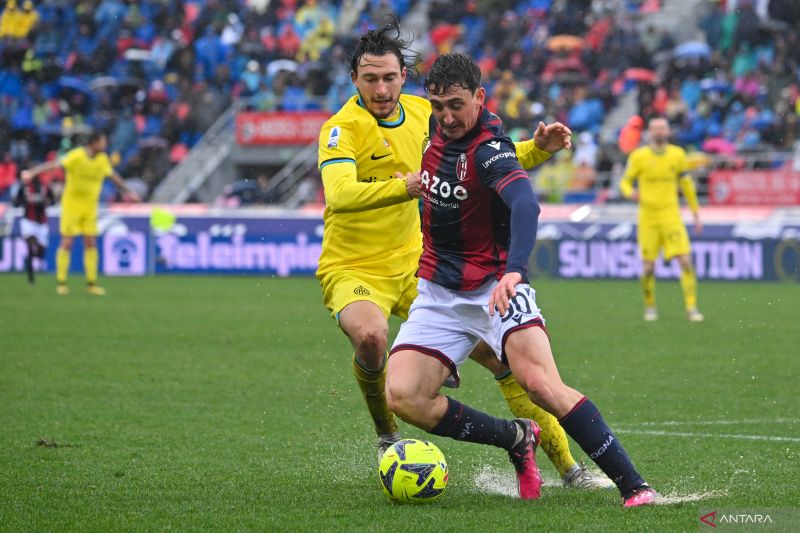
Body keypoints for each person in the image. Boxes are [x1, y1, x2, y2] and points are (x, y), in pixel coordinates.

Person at [317, 21, 606, 489]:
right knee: (371, 336)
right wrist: (403, 186)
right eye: (370, 79)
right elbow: (339, 193)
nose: (381, 88)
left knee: (504, 361)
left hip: (423, 267)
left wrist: (541, 149)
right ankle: (387, 435)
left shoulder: (428, 114)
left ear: (404, 77)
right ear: (354, 80)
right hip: (355, 265)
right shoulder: (339, 130)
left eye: (389, 77)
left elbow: (486, 159)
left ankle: (565, 465)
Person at [386, 52, 657, 507]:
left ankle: (635, 486)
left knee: (541, 385)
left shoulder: (490, 149)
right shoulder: (438, 128)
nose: (447, 117)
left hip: (495, 287)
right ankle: (516, 438)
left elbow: (526, 205)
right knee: (404, 396)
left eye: (456, 105)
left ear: (479, 98)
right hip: (437, 292)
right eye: (438, 106)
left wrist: (514, 271)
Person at [21, 132, 140, 295]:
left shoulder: (102, 159)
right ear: (94, 142)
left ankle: (91, 283)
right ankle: (61, 282)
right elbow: (55, 165)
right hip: (72, 206)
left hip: (90, 207)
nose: (105, 145)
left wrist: (129, 192)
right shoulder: (77, 156)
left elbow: (114, 177)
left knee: (90, 242)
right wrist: (32, 172)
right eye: (103, 141)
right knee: (67, 242)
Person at [620, 117, 703, 322]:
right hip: (648, 218)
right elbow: (625, 182)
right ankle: (650, 306)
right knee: (648, 267)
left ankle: (691, 307)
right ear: (649, 132)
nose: (658, 132)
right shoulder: (639, 156)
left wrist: (695, 213)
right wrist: (630, 192)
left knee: (685, 261)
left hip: (671, 216)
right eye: (655, 128)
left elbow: (687, 186)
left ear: (667, 132)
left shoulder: (677, 155)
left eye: (662, 128)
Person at [13, 174, 55, 283]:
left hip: (42, 223)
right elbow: (16, 202)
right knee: (31, 247)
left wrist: (46, 202)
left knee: (41, 252)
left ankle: (29, 260)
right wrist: (22, 202)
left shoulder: (45, 187)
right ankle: (30, 276)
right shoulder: (24, 187)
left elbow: (53, 201)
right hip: (28, 221)